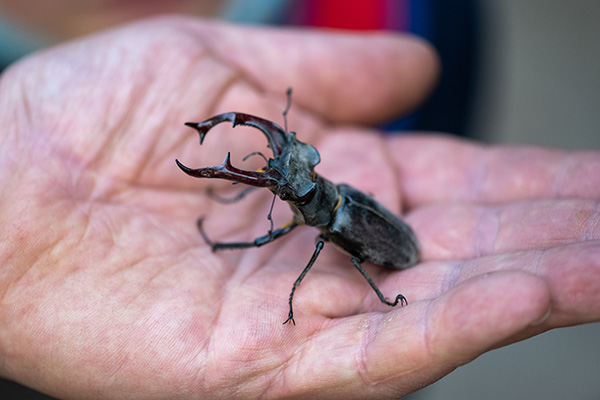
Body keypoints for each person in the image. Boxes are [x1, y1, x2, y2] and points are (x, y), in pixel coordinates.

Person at [0, 16, 598, 399]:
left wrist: (322, 292)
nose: (280, 178)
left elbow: (360, 258)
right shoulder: (324, 196)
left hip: (385, 241)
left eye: (288, 183)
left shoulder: (328, 222)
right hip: (360, 214)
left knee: (337, 257)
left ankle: (236, 246)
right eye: (283, 184)